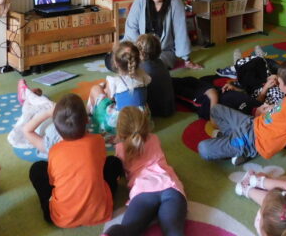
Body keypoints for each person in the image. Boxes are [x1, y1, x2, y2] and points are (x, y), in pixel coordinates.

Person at [198, 60, 286, 184]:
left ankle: (244, 151)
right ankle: (232, 139)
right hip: (252, 123)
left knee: (203, 149)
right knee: (216, 109)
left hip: (252, 141)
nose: (278, 83)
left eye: (280, 82)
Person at [28, 93, 123, 228]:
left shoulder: (54, 150)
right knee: (114, 162)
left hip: (62, 217)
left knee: (37, 169)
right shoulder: (98, 141)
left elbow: (52, 182)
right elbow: (100, 167)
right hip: (99, 212)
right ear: (87, 120)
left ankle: (55, 207)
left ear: (56, 128)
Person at [103, 107, 187, 236]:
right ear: (144, 125)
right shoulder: (154, 138)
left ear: (120, 130)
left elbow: (121, 173)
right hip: (170, 187)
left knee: (128, 229)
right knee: (174, 231)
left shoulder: (120, 148)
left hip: (143, 191)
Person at [118, 0, 202, 70]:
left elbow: (180, 32)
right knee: (115, 60)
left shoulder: (175, 2)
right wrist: (138, 49)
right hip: (139, 48)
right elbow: (131, 27)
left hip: (163, 51)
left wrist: (186, 59)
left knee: (150, 67)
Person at [87, 41, 151, 136]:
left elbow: (109, 99)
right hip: (142, 122)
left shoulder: (115, 81)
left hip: (121, 125)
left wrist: (104, 88)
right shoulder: (144, 76)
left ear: (116, 64)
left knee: (95, 89)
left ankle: (89, 115)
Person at [136, 33, 175, 117]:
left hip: (154, 110)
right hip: (169, 107)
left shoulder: (142, 68)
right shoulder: (161, 62)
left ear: (140, 52)